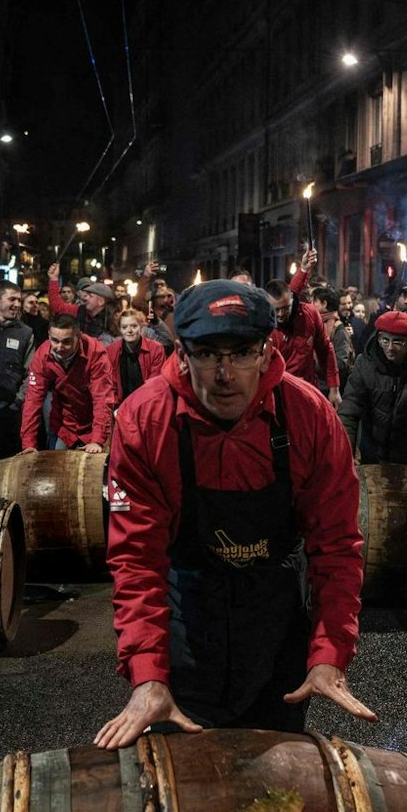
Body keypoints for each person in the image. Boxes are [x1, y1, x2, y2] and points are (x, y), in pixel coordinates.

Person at [94, 281, 374, 747]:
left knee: (279, 799)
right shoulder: (144, 420)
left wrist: (328, 653)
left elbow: (338, 547)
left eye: (242, 352)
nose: (225, 374)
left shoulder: (309, 416)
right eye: (208, 353)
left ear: (266, 352)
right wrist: (148, 676)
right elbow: (137, 560)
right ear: (181, 353)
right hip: (188, 615)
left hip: (274, 617)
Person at [337, 309, 407, 467]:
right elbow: (350, 410)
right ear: (378, 338)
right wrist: (345, 455)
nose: (390, 347)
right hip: (372, 450)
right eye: (385, 340)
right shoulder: (365, 363)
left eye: (397, 342)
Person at [20, 314, 117, 452]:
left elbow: (102, 399)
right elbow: (32, 401)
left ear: (79, 336)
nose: (59, 347)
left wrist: (98, 439)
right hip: (63, 425)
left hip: (93, 424)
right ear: (48, 335)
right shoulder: (42, 356)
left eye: (66, 341)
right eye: (55, 340)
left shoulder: (95, 352)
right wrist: (29, 444)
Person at [0, 281, 38, 461]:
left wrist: (17, 403)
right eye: (12, 299)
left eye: (19, 300)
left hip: (8, 412)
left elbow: (30, 372)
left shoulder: (25, 333)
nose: (17, 304)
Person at [267, 275, 341, 400]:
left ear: (291, 300)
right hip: (277, 395)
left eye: (285, 308)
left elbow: (325, 350)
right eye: (276, 310)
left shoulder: (310, 315)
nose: (280, 314)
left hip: (309, 391)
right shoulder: (263, 327)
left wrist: (334, 388)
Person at [113, 307, 168, 402]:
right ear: (119, 329)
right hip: (121, 406)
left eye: (134, 326)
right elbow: (110, 385)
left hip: (148, 403)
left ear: (141, 327)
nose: (129, 330)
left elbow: (154, 385)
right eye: (124, 327)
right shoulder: (112, 351)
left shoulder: (156, 349)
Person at [46, 272, 117, 339]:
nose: (86, 298)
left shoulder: (113, 321)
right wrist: (53, 278)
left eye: (91, 296)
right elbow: (58, 306)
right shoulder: (80, 310)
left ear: (101, 301)